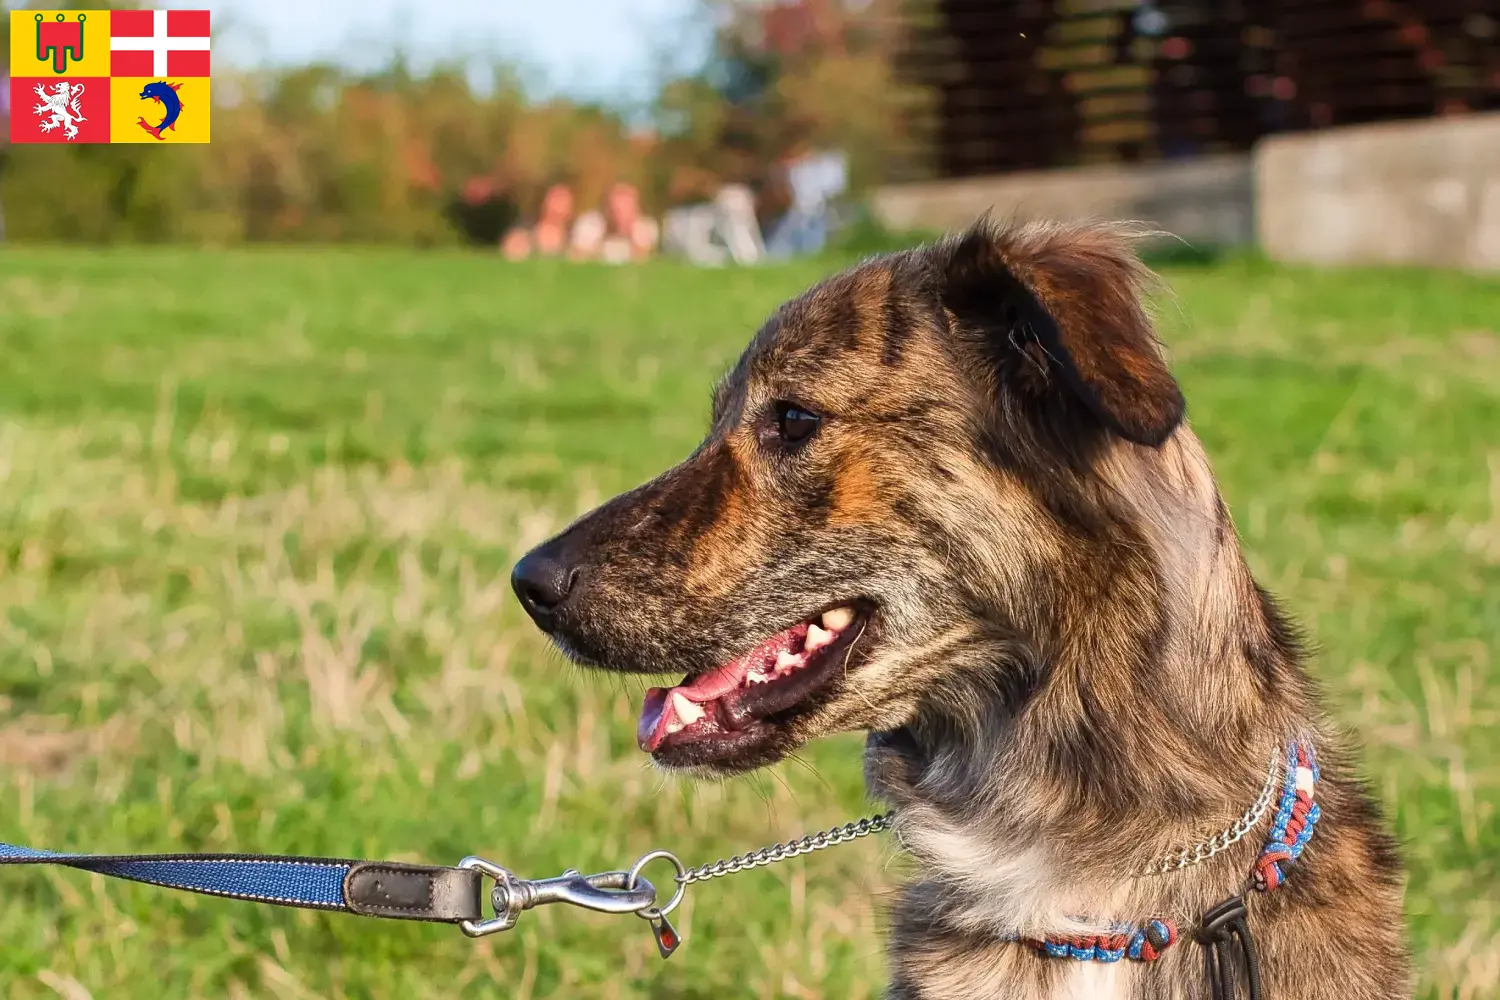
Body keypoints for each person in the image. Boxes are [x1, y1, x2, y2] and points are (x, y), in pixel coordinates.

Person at [501, 183, 576, 260]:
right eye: (555, 199)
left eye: (562, 201)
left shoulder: (575, 238)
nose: (557, 205)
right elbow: (510, 247)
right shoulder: (526, 230)